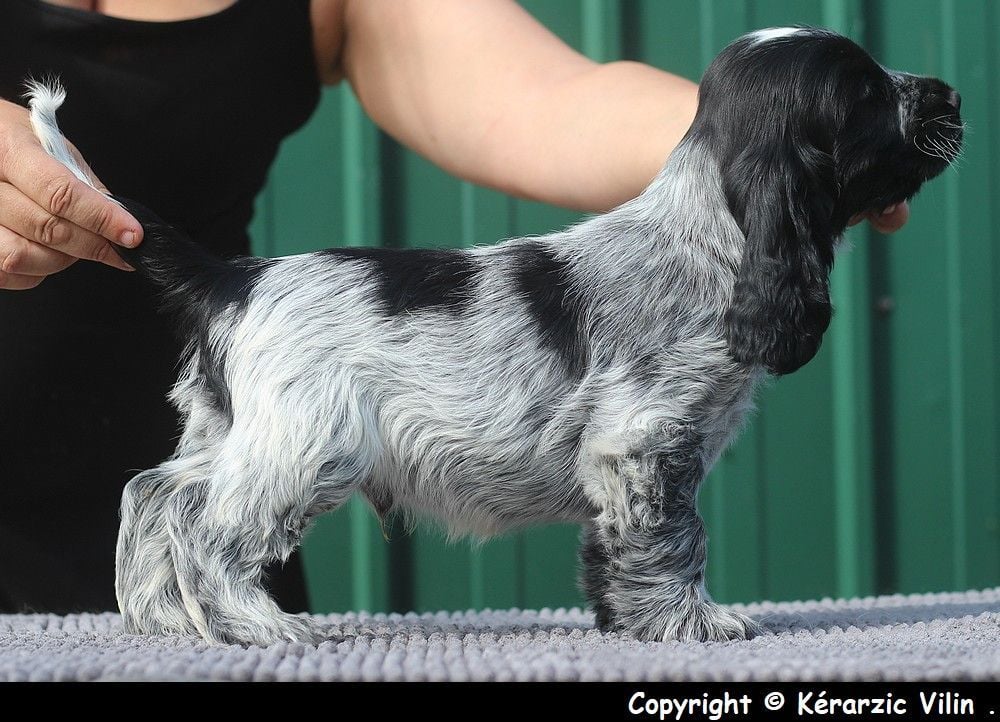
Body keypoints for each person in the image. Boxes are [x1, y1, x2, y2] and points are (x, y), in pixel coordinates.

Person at [0, 0, 907, 614]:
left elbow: (549, 101)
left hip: (252, 353)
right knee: (277, 481)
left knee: (254, 504)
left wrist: (775, 144)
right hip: (281, 341)